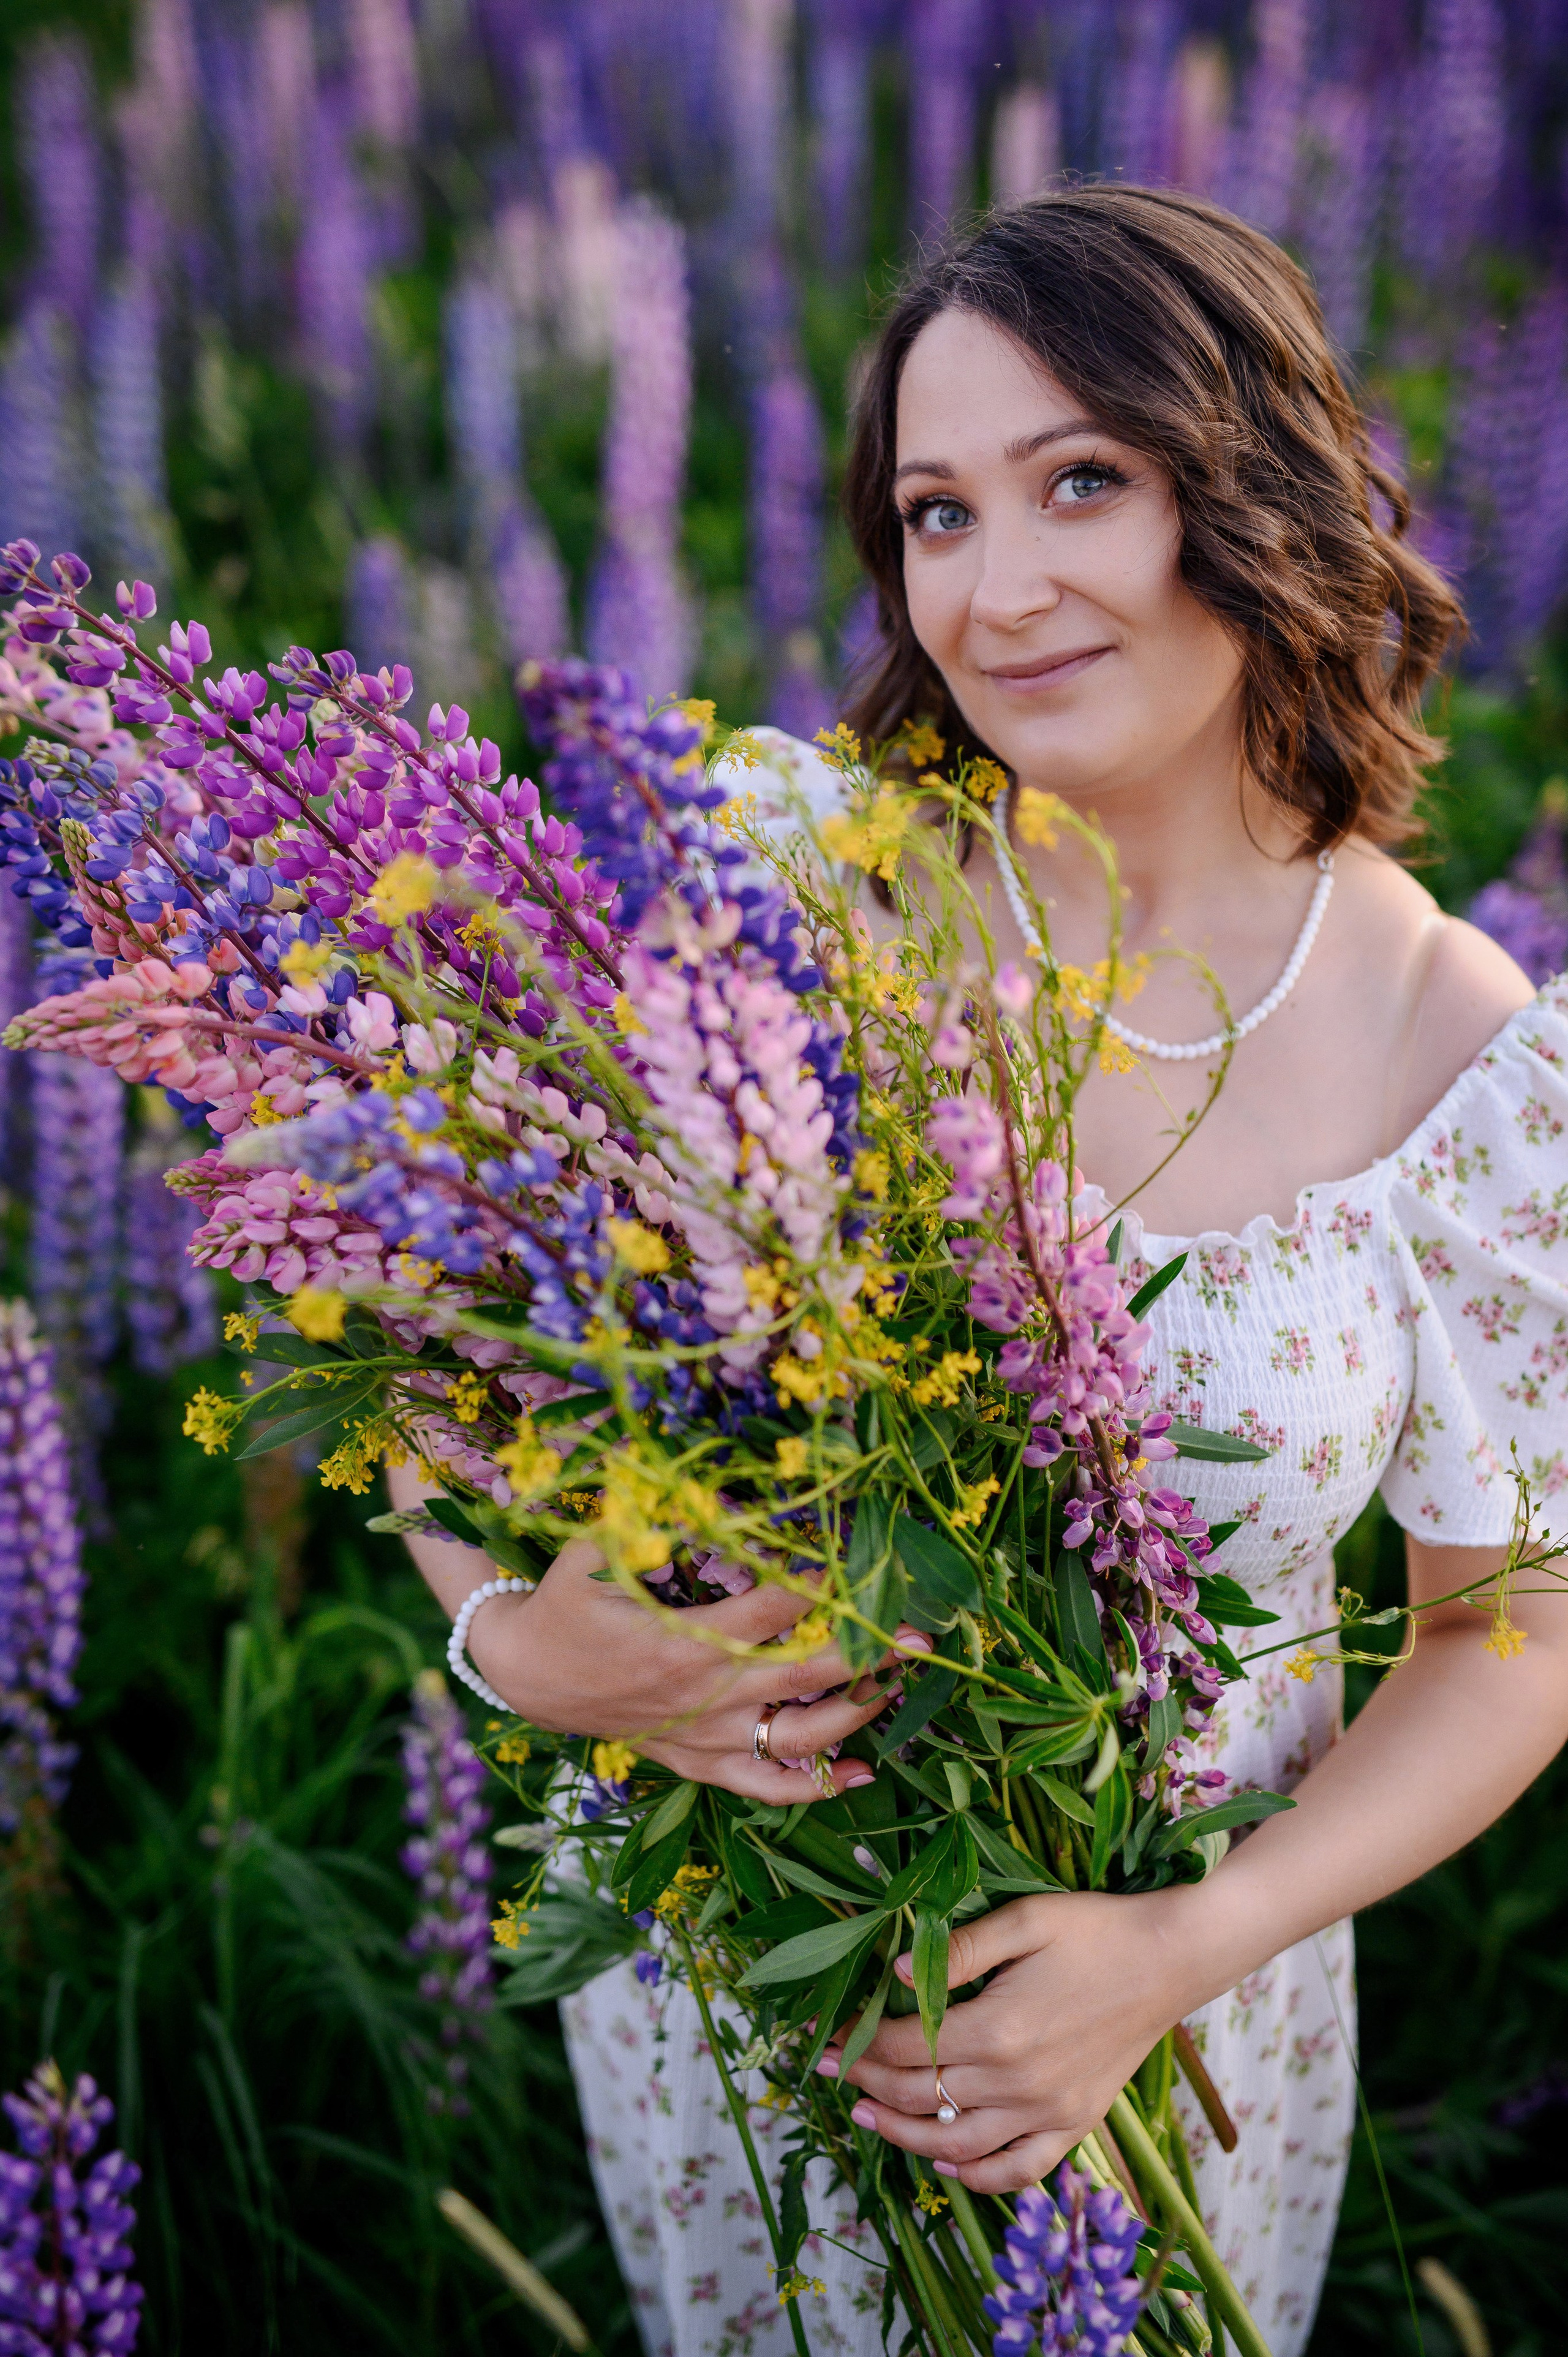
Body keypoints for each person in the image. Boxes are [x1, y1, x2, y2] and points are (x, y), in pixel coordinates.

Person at [393, 186, 1568, 2357]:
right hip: (744, 1995)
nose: (998, 589)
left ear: (1257, 490)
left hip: (1170, 2033)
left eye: (1083, 484)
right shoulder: (764, 885)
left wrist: (1187, 1943)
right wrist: (517, 1644)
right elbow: (423, 1332)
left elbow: (1514, 1627)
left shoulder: (1460, 1043)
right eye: (936, 513)